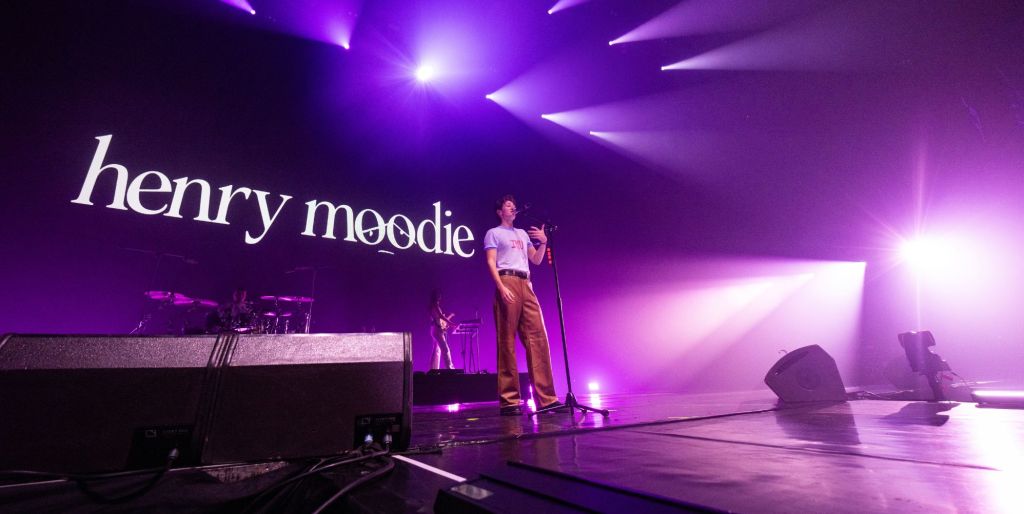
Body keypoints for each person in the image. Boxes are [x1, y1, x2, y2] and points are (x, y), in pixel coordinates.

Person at [483, 194, 566, 416]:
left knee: (538, 338)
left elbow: (536, 260)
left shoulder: (522, 233)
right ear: (500, 212)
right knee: (506, 341)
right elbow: (490, 261)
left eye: (513, 205)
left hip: (526, 282)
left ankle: (547, 399)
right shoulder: (493, 233)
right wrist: (501, 286)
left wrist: (544, 242)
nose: (512, 208)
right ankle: (509, 401)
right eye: (508, 205)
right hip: (507, 279)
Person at [429, 289, 456, 370]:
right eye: (439, 295)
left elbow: (439, 319)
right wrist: (451, 323)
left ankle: (433, 369)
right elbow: (440, 316)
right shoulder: (435, 305)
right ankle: (449, 368)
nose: (440, 296)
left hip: (436, 329)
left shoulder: (434, 305)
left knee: (437, 351)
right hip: (436, 330)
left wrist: (445, 325)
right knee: (445, 349)